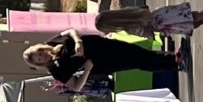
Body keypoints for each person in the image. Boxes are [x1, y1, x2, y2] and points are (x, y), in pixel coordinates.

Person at [25, 30, 178, 87]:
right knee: (135, 60)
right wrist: (87, 70)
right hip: (100, 62)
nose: (42, 56)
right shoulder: (55, 70)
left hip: (99, 44)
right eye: (39, 59)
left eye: (39, 53)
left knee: (135, 50)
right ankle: (173, 62)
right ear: (40, 64)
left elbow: (70, 31)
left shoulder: (52, 42)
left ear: (40, 48)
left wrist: (78, 41)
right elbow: (75, 86)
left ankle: (172, 58)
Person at [97, 0, 203, 38]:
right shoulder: (125, 11)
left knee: (196, 17)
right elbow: (144, 7)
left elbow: (149, 34)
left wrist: (147, 35)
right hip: (160, 14)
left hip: (163, 24)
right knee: (194, 21)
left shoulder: (129, 28)